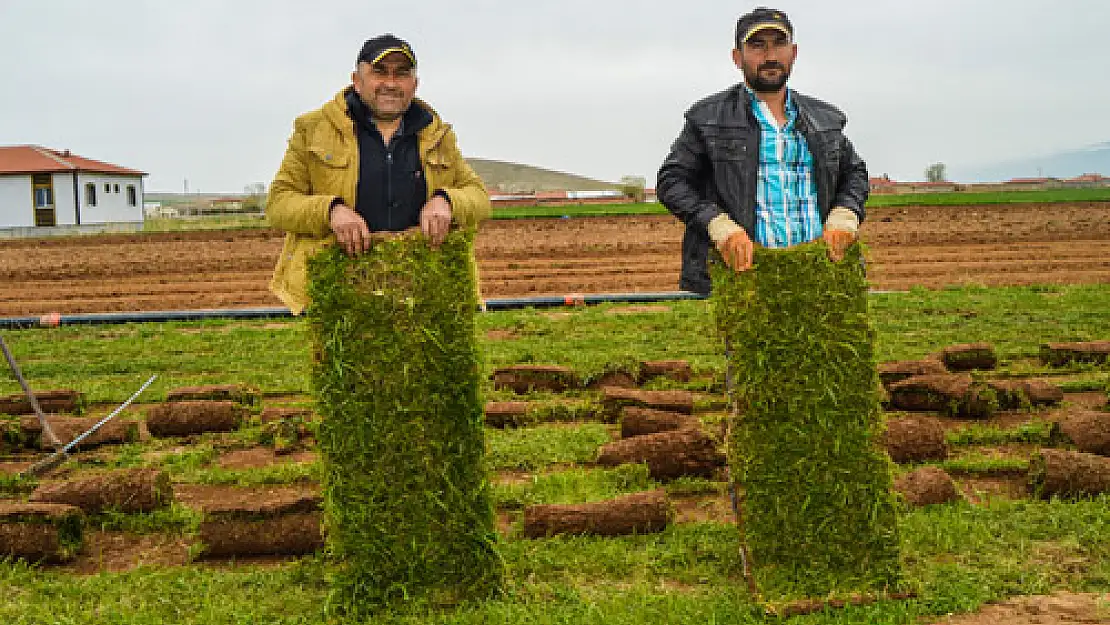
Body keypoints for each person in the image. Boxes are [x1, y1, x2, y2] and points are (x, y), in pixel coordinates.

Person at [266, 34, 491, 314]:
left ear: (415, 85)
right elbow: (279, 203)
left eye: (402, 74)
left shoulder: (436, 133)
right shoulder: (313, 129)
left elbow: (479, 197)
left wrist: (446, 200)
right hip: (342, 289)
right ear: (357, 81)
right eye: (379, 72)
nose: (391, 83)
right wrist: (331, 211)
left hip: (422, 289)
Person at [657, 7, 869, 294]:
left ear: (793, 53)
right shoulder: (707, 118)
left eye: (779, 44)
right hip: (741, 280)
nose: (770, 56)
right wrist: (718, 226)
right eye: (757, 45)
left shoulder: (825, 120)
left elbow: (854, 173)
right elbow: (672, 181)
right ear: (737, 57)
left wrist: (845, 215)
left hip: (819, 275)